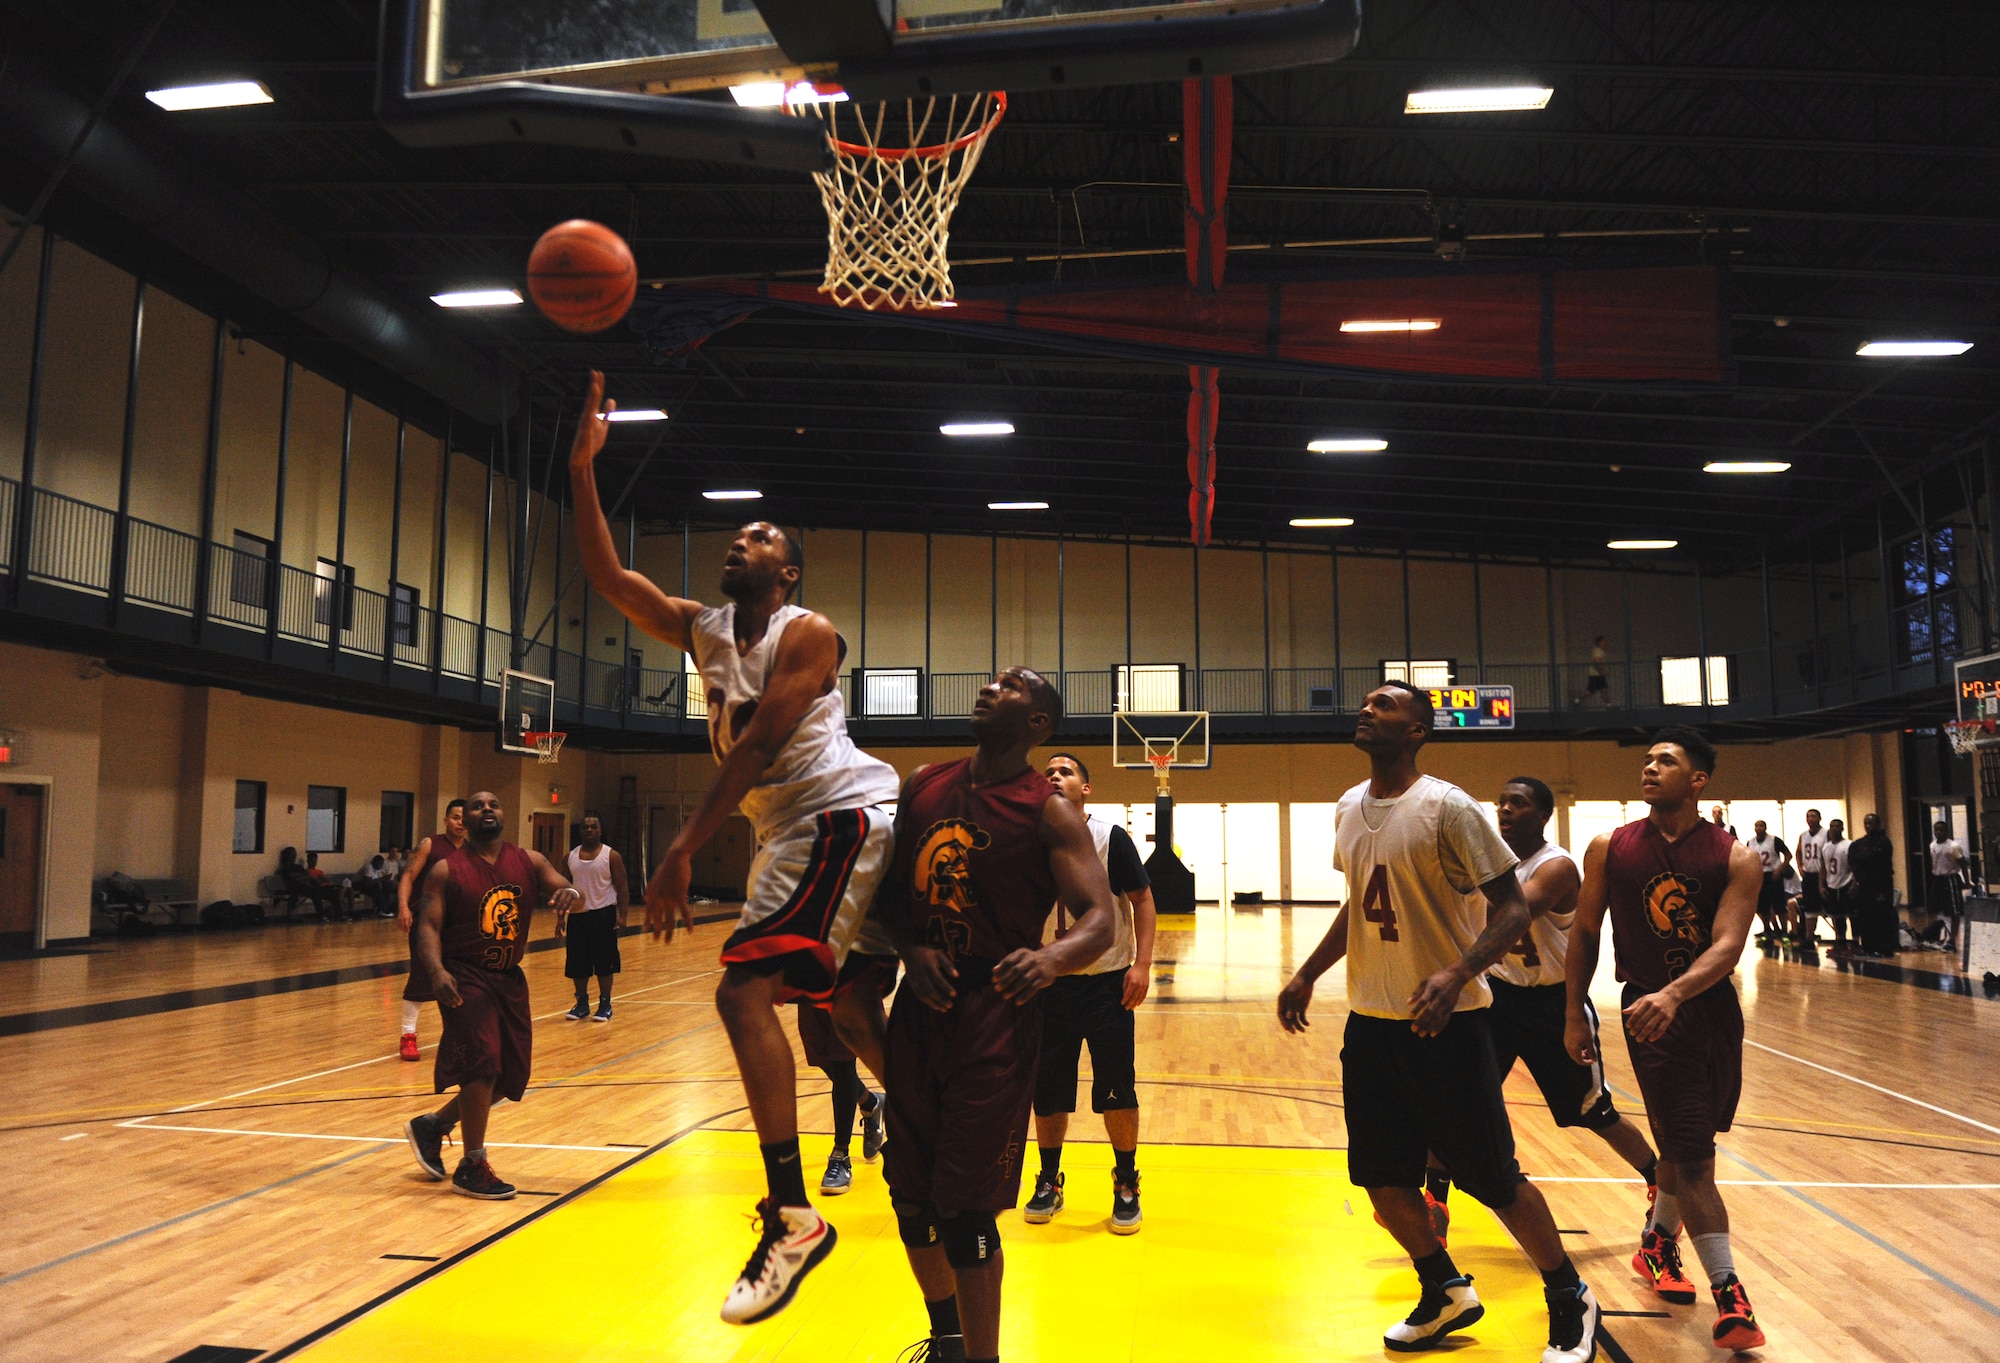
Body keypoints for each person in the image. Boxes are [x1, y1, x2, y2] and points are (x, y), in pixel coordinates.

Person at [570, 369, 902, 1325]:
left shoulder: (811, 633)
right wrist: (585, 471)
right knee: (838, 1008)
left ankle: (793, 1214)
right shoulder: (703, 627)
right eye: (738, 531)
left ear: (787, 571)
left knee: (741, 987)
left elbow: (757, 744)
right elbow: (609, 578)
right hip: (782, 832)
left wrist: (679, 851)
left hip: (839, 812)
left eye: (759, 537)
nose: (739, 539)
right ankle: (919, 1113)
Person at [1278, 682, 1600, 1363]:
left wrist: (1457, 974)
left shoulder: (1447, 807)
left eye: (1386, 706)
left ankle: (1570, 1295)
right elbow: (1362, 904)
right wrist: (1308, 971)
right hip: (1371, 1024)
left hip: (1449, 1026)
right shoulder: (1346, 807)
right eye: (1365, 703)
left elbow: (1512, 908)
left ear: (1418, 729)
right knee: (1383, 1182)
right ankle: (1444, 1288)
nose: (1367, 710)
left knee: (1494, 1179)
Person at [869, 667, 1117, 1363]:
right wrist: (909, 944)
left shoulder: (1048, 809)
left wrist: (1050, 958)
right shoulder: (921, 783)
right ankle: (947, 1336)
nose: (989, 686)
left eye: (1011, 685)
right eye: (993, 678)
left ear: (1038, 723)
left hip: (996, 1013)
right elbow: (888, 891)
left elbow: (1099, 918)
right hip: (919, 1007)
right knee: (910, 1199)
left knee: (965, 1209)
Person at [1565, 726, 1766, 1352]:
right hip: (1648, 1015)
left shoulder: (1736, 856)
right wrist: (1574, 1013)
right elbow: (1586, 933)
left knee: (1685, 1145)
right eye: (1648, 760)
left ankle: (1655, 1243)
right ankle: (1731, 1297)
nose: (1649, 768)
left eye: (1666, 761)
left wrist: (1679, 993)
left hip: (1709, 1013)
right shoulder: (1610, 846)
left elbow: (1728, 945)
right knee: (1697, 1160)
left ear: (1698, 780)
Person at [1423, 777, 1666, 1285]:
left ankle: (1657, 1179)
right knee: (1453, 1096)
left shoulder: (1555, 866)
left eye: (1518, 803)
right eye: (1501, 803)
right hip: (1498, 998)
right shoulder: (1488, 863)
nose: (1505, 810)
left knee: (1590, 1114)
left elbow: (1510, 912)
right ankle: (1434, 1205)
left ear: (1542, 816)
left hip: (1554, 1003)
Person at [402, 791, 580, 1199]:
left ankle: (433, 1126)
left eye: (493, 805)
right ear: (464, 818)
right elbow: (427, 926)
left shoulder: (529, 861)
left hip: (508, 978)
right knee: (482, 1064)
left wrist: (569, 892)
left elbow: (562, 885)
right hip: (465, 975)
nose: (486, 810)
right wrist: (436, 971)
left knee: (510, 1074)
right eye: (478, 806)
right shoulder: (447, 870)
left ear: (504, 815)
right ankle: (472, 1164)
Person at [1024, 751, 1157, 1234]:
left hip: (1107, 982)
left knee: (1117, 1086)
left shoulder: (1110, 837)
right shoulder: (1028, 842)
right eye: (1049, 773)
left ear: (1086, 789)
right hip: (1050, 985)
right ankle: (1048, 1179)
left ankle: (1126, 1181)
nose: (1055, 776)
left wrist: (1142, 964)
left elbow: (1142, 900)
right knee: (1048, 1090)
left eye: (1066, 771)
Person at [395, 800, 469, 1062]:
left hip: (457, 923)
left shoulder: (473, 850)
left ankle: (456, 1037)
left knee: (459, 979)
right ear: (446, 820)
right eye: (455, 817)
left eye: (464, 818)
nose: (460, 822)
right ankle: (408, 1035)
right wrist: (404, 906)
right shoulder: (430, 844)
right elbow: (407, 877)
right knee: (421, 975)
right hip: (425, 921)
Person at [795, 1001, 885, 1196]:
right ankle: (870, 1103)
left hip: (847, 984)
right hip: (811, 982)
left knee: (842, 1060)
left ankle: (840, 1155)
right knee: (822, 1055)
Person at [563, 814, 630, 1022]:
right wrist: (559, 917)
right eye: (585, 827)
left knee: (605, 962)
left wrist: (623, 916)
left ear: (600, 831)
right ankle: (582, 1003)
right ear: (580, 831)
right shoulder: (569, 857)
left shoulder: (611, 856)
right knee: (577, 963)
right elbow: (563, 888)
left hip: (603, 914)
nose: (589, 830)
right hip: (577, 916)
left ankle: (605, 1004)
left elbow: (622, 886)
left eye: (594, 827)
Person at [1847, 813, 1898, 958]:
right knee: (1865, 916)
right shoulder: (1860, 842)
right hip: (1863, 885)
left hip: (1880, 885)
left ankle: (1884, 949)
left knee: (1881, 917)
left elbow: (1871, 859)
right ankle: (1868, 947)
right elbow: (1852, 859)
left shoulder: (1883, 842)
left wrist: (1862, 858)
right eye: (1866, 823)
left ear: (1878, 824)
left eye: (1871, 823)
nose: (1868, 826)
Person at [1745, 820, 1790, 943]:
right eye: (1757, 826)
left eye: (1761, 826)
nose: (1759, 828)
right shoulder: (1750, 842)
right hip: (1759, 876)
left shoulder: (1774, 840)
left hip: (1773, 875)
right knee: (1762, 906)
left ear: (1765, 828)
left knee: (1779, 905)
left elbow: (1788, 855)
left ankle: (1784, 931)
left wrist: (1779, 869)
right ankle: (1767, 930)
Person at [1927, 821, 1968, 948]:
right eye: (1936, 830)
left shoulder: (1953, 846)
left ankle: (1952, 940)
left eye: (1941, 830)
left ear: (1946, 831)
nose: (1939, 832)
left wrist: (1967, 881)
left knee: (1954, 911)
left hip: (1951, 879)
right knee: (1933, 909)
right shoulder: (1932, 845)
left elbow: (1962, 863)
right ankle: (1934, 936)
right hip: (1937, 879)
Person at [1792, 809, 1828, 949]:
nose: (1810, 819)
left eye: (1813, 816)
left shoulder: (1826, 834)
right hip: (1809, 875)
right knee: (1809, 908)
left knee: (1829, 908)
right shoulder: (1803, 835)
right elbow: (1798, 852)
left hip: (1823, 876)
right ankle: (1808, 938)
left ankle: (1840, 940)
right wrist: (1800, 867)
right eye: (1808, 816)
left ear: (1819, 818)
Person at [277, 846, 340, 919]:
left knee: (333, 893)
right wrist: (303, 877)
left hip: (309, 886)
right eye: (292, 854)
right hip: (297, 888)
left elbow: (307, 876)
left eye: (295, 854)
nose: (294, 856)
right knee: (315, 894)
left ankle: (339, 915)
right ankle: (322, 915)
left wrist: (301, 877)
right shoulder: (286, 867)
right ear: (287, 855)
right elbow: (295, 878)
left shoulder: (298, 866)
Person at [1820, 818, 1853, 954]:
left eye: (1837, 826)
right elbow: (1822, 867)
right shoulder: (1826, 847)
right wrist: (1821, 885)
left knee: (1851, 914)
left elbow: (1855, 866)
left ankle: (1855, 942)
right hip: (1831, 885)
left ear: (1842, 828)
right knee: (1836, 915)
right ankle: (1840, 942)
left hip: (1846, 883)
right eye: (1832, 826)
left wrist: (1855, 883)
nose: (1834, 828)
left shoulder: (1849, 845)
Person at [1585, 635, 1611, 706]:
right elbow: (1597, 661)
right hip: (1596, 674)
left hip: (1598, 675)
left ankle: (1609, 705)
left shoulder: (1598, 651)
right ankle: (1577, 700)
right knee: (1591, 691)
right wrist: (1603, 670)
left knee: (1604, 690)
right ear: (1599, 643)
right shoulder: (1598, 651)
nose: (1605, 643)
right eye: (1603, 642)